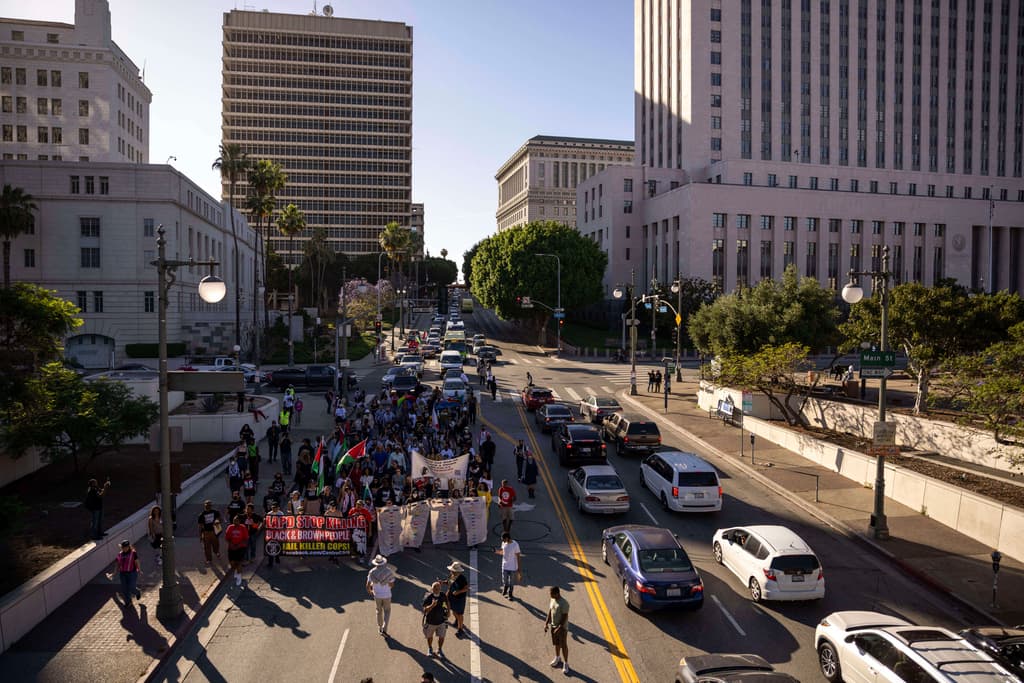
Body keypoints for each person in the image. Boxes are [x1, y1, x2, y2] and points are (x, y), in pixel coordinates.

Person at [366, 554, 396, 636]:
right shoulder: (388, 571)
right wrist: (387, 587)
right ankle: (384, 628)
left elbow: (367, 585)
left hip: (377, 595)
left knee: (378, 611)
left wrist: (371, 591)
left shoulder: (372, 572)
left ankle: (380, 627)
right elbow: (392, 584)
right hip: (387, 595)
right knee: (387, 611)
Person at [544, 585, 571, 675]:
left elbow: (564, 617)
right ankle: (557, 657)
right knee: (556, 643)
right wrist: (546, 623)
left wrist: (559, 628)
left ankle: (566, 663)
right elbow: (550, 611)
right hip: (553, 626)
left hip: (562, 628)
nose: (550, 595)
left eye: (551, 594)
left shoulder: (564, 603)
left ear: (557, 593)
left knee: (563, 645)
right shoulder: (552, 599)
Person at [422, 581, 450, 659]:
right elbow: (425, 610)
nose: (437, 590)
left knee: (442, 637)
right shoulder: (428, 597)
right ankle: (430, 648)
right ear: (432, 589)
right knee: (429, 637)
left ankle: (439, 650)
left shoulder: (443, 595)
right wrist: (432, 605)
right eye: (435, 588)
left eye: (439, 588)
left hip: (442, 621)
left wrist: (448, 611)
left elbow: (447, 602)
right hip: (430, 622)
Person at [112, 540, 141, 605]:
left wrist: (139, 569)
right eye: (123, 547)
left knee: (132, 587)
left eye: (126, 547)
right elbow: (117, 564)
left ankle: (137, 592)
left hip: (132, 573)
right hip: (122, 574)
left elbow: (137, 561)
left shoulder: (133, 553)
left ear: (129, 547)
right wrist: (114, 573)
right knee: (125, 589)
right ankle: (128, 602)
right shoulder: (120, 554)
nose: (125, 548)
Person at [224, 514, 249, 587]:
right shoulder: (230, 527)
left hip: (240, 547)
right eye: (234, 520)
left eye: (236, 521)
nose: (235, 522)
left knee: (238, 562)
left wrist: (239, 544)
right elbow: (227, 538)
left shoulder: (243, 527)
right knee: (232, 562)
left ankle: (239, 576)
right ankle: (236, 570)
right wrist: (230, 543)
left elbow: (246, 538)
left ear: (239, 521)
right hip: (231, 547)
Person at [446, 561, 470, 638]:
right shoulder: (451, 575)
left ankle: (460, 629)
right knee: (454, 611)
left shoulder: (462, 579)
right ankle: (457, 621)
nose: (452, 571)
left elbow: (466, 588)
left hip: (459, 599)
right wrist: (442, 582)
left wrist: (458, 592)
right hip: (451, 596)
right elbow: (449, 583)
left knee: (460, 614)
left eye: (454, 571)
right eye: (452, 570)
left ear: (458, 571)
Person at [495, 531, 521, 601]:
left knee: (511, 582)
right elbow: (503, 552)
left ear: (507, 538)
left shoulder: (515, 544)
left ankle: (510, 594)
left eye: (503, 539)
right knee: (504, 580)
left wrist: (519, 569)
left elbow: (518, 556)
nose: (502, 541)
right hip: (505, 566)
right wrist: (497, 552)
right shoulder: (503, 543)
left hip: (512, 567)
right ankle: (505, 588)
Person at [197, 500, 222, 565]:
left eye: (209, 505)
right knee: (206, 547)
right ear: (204, 505)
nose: (208, 506)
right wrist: (200, 535)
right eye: (207, 505)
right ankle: (209, 559)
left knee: (216, 544)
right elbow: (200, 526)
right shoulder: (201, 515)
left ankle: (216, 551)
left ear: (211, 506)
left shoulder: (215, 512)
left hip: (214, 531)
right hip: (206, 532)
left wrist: (217, 521)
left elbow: (220, 519)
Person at [265, 501, 284, 568]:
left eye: (275, 507)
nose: (274, 509)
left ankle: (277, 557)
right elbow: (267, 523)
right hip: (271, 533)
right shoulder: (269, 514)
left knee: (277, 545)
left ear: (278, 508)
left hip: (278, 533)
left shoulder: (281, 513)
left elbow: (283, 523)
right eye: (273, 507)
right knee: (270, 546)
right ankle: (270, 562)